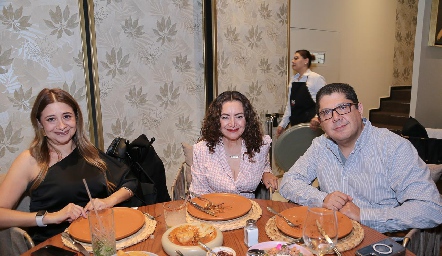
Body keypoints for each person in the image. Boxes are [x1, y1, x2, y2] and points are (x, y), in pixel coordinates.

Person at [279, 83, 442, 233]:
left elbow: (431, 209)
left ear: (360, 109)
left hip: (380, 242)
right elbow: (288, 181)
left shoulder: (393, 147)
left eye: (343, 107)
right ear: (321, 122)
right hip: (330, 236)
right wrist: (322, 199)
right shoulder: (320, 146)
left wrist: (364, 215)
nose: (335, 117)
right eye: (326, 113)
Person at [0, 88, 137, 244]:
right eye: (51, 119)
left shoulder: (89, 152)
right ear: (40, 125)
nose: (62, 125)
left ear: (76, 119)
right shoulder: (30, 160)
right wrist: (51, 217)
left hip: (99, 240)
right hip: (54, 246)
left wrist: (108, 201)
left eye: (66, 116)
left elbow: (130, 182)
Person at [189, 91, 278, 199]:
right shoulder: (202, 150)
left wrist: (266, 172)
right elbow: (198, 195)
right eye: (225, 117)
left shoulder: (259, 146)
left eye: (239, 116)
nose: (232, 123)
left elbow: (263, 163)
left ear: (247, 119)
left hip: (250, 211)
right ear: (217, 120)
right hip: (214, 211)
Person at [276, 50, 326, 137]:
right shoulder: (293, 80)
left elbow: (325, 102)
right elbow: (290, 106)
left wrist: (317, 117)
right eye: (293, 59)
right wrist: (282, 124)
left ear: (306, 61)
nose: (292, 61)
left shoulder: (316, 78)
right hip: (295, 127)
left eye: (296, 58)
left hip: (312, 128)